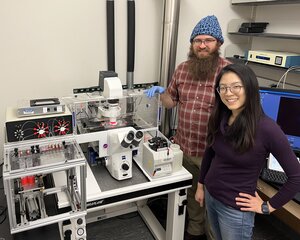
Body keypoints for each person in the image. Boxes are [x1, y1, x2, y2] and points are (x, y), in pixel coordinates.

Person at [146, 15, 231, 240]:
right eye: (197, 40)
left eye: (208, 40)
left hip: (214, 153)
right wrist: (161, 93)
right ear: (192, 44)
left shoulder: (229, 73)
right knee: (193, 195)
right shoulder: (183, 69)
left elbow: (238, 113)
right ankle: (195, 232)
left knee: (214, 201)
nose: (202, 45)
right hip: (185, 147)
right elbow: (171, 102)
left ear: (218, 44)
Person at [195, 63, 300, 240]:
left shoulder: (268, 129)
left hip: (235, 209)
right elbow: (210, 152)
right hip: (211, 196)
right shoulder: (221, 116)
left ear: (250, 88)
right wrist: (200, 185)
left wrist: (267, 206)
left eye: (236, 86)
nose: (228, 93)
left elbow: (296, 177)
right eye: (223, 88)